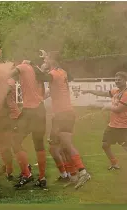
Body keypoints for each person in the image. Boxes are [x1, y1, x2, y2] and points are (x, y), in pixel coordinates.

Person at [40, 51, 91, 189]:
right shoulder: (61, 72)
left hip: (64, 113)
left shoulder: (54, 74)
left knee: (67, 145)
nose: (45, 60)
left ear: (54, 60)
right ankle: (73, 176)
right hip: (60, 114)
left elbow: (41, 77)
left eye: (47, 58)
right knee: (57, 147)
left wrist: (34, 66)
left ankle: (83, 171)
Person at [10, 60, 47, 190]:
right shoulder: (36, 70)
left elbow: (10, 74)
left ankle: (27, 173)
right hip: (40, 110)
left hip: (30, 111)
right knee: (39, 143)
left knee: (15, 140)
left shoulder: (24, 66)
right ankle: (42, 178)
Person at [82, 72, 127, 170]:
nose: (117, 81)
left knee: (125, 147)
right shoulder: (116, 91)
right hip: (112, 125)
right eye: (116, 79)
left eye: (119, 79)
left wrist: (104, 106)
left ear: (125, 80)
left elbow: (119, 109)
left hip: (123, 127)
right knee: (105, 145)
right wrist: (89, 91)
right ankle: (114, 164)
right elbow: (102, 93)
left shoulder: (126, 93)